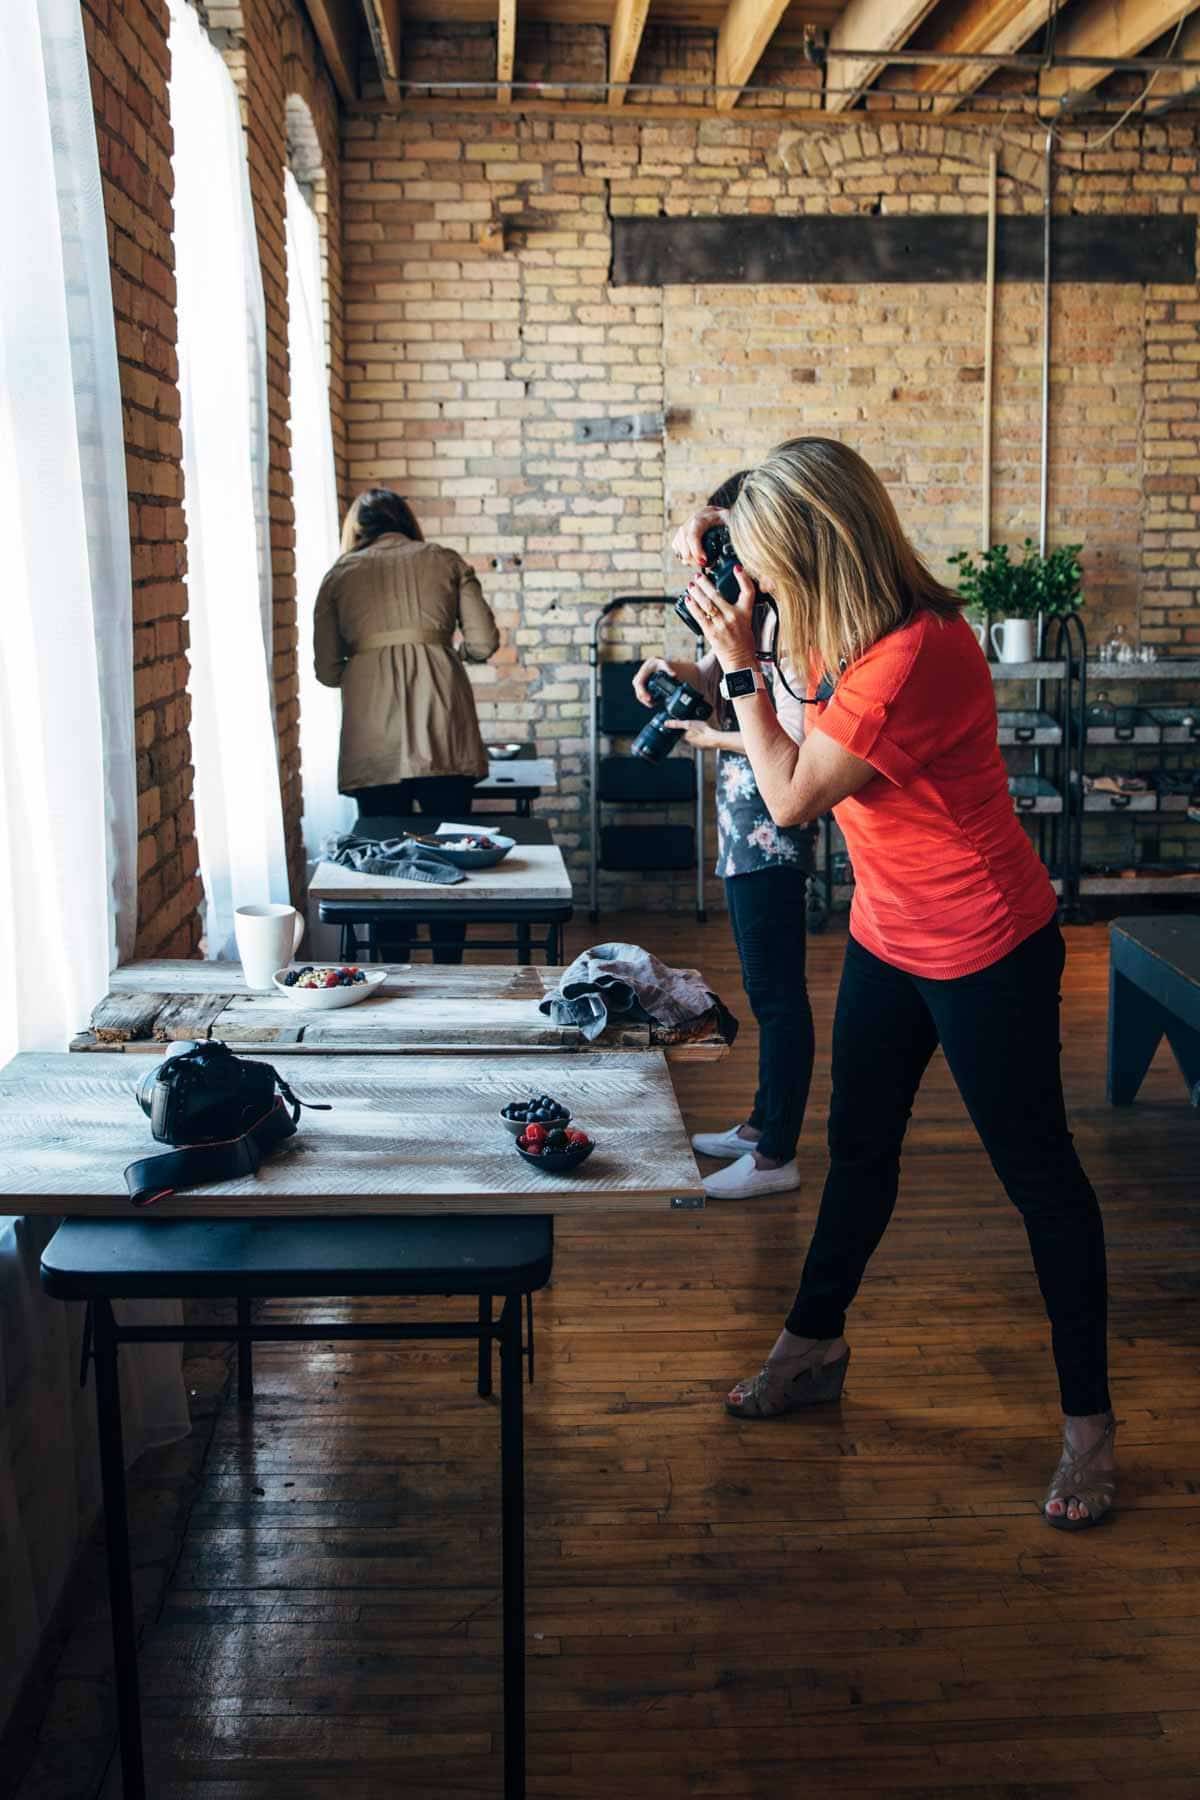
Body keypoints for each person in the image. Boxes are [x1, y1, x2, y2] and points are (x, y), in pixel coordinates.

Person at [673, 437, 1115, 1532]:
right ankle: (812, 1343)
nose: (760, 582)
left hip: (986, 947)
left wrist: (738, 668)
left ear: (820, 547)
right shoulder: (840, 632)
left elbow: (787, 798)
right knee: (859, 1151)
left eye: (770, 560)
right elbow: (789, 716)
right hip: (887, 934)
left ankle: (1090, 1433)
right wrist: (729, 609)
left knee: (1041, 1181)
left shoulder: (915, 654)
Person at [633, 472, 817, 1202]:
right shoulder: (755, 613)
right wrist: (666, 669)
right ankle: (759, 1126)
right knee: (765, 986)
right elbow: (714, 678)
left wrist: (715, 739)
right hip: (743, 827)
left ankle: (778, 1156)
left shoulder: (792, 621)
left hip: (774, 827)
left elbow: (797, 739)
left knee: (778, 995)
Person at [314, 488, 499, 961]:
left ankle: (391, 965)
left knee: (381, 853)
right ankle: (448, 963)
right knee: (451, 849)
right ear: (405, 521)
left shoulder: (339, 575)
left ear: (358, 528)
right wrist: (443, 654)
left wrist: (369, 662)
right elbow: (483, 642)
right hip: (443, 721)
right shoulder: (445, 560)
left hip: (373, 728)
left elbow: (326, 669)